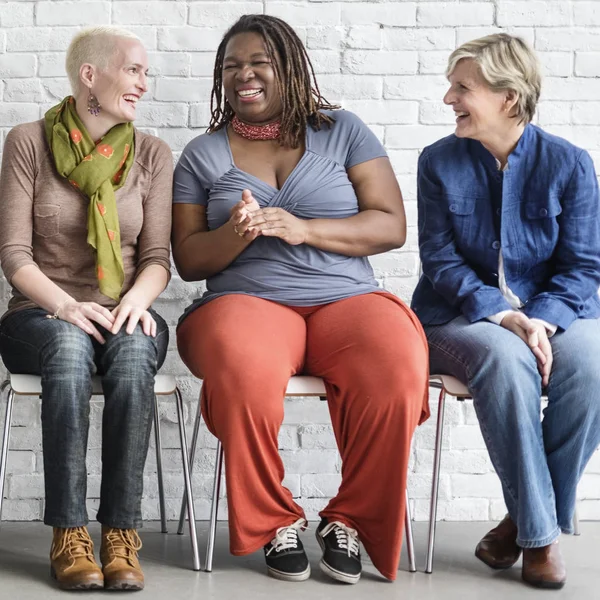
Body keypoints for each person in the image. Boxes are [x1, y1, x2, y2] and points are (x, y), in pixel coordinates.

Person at [172, 14, 429, 585]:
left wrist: (304, 228)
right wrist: (236, 233)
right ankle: (272, 523)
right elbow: (188, 259)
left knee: (396, 366)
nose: (245, 75)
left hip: (347, 298)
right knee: (242, 366)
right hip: (246, 300)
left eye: (259, 62)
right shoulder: (202, 154)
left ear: (288, 67)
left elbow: (390, 226)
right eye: (232, 65)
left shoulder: (344, 131)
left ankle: (352, 522)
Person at [412, 33, 600, 590]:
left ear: (508, 99)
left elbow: (584, 266)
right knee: (506, 360)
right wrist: (505, 316)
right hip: (460, 318)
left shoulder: (570, 164)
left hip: (557, 313)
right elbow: (440, 261)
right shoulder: (438, 162)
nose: (449, 98)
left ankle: (522, 519)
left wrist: (539, 319)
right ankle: (541, 540)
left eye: (462, 88)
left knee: (592, 368)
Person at [0, 26, 172, 591]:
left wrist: (134, 305)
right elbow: (14, 254)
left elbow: (155, 258)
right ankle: (69, 533)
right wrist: (68, 306)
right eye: (134, 70)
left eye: (146, 73)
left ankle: (121, 534)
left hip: (125, 307)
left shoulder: (151, 154)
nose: (144, 84)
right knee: (70, 347)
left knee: (128, 358)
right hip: (39, 310)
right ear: (90, 76)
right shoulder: (27, 142)